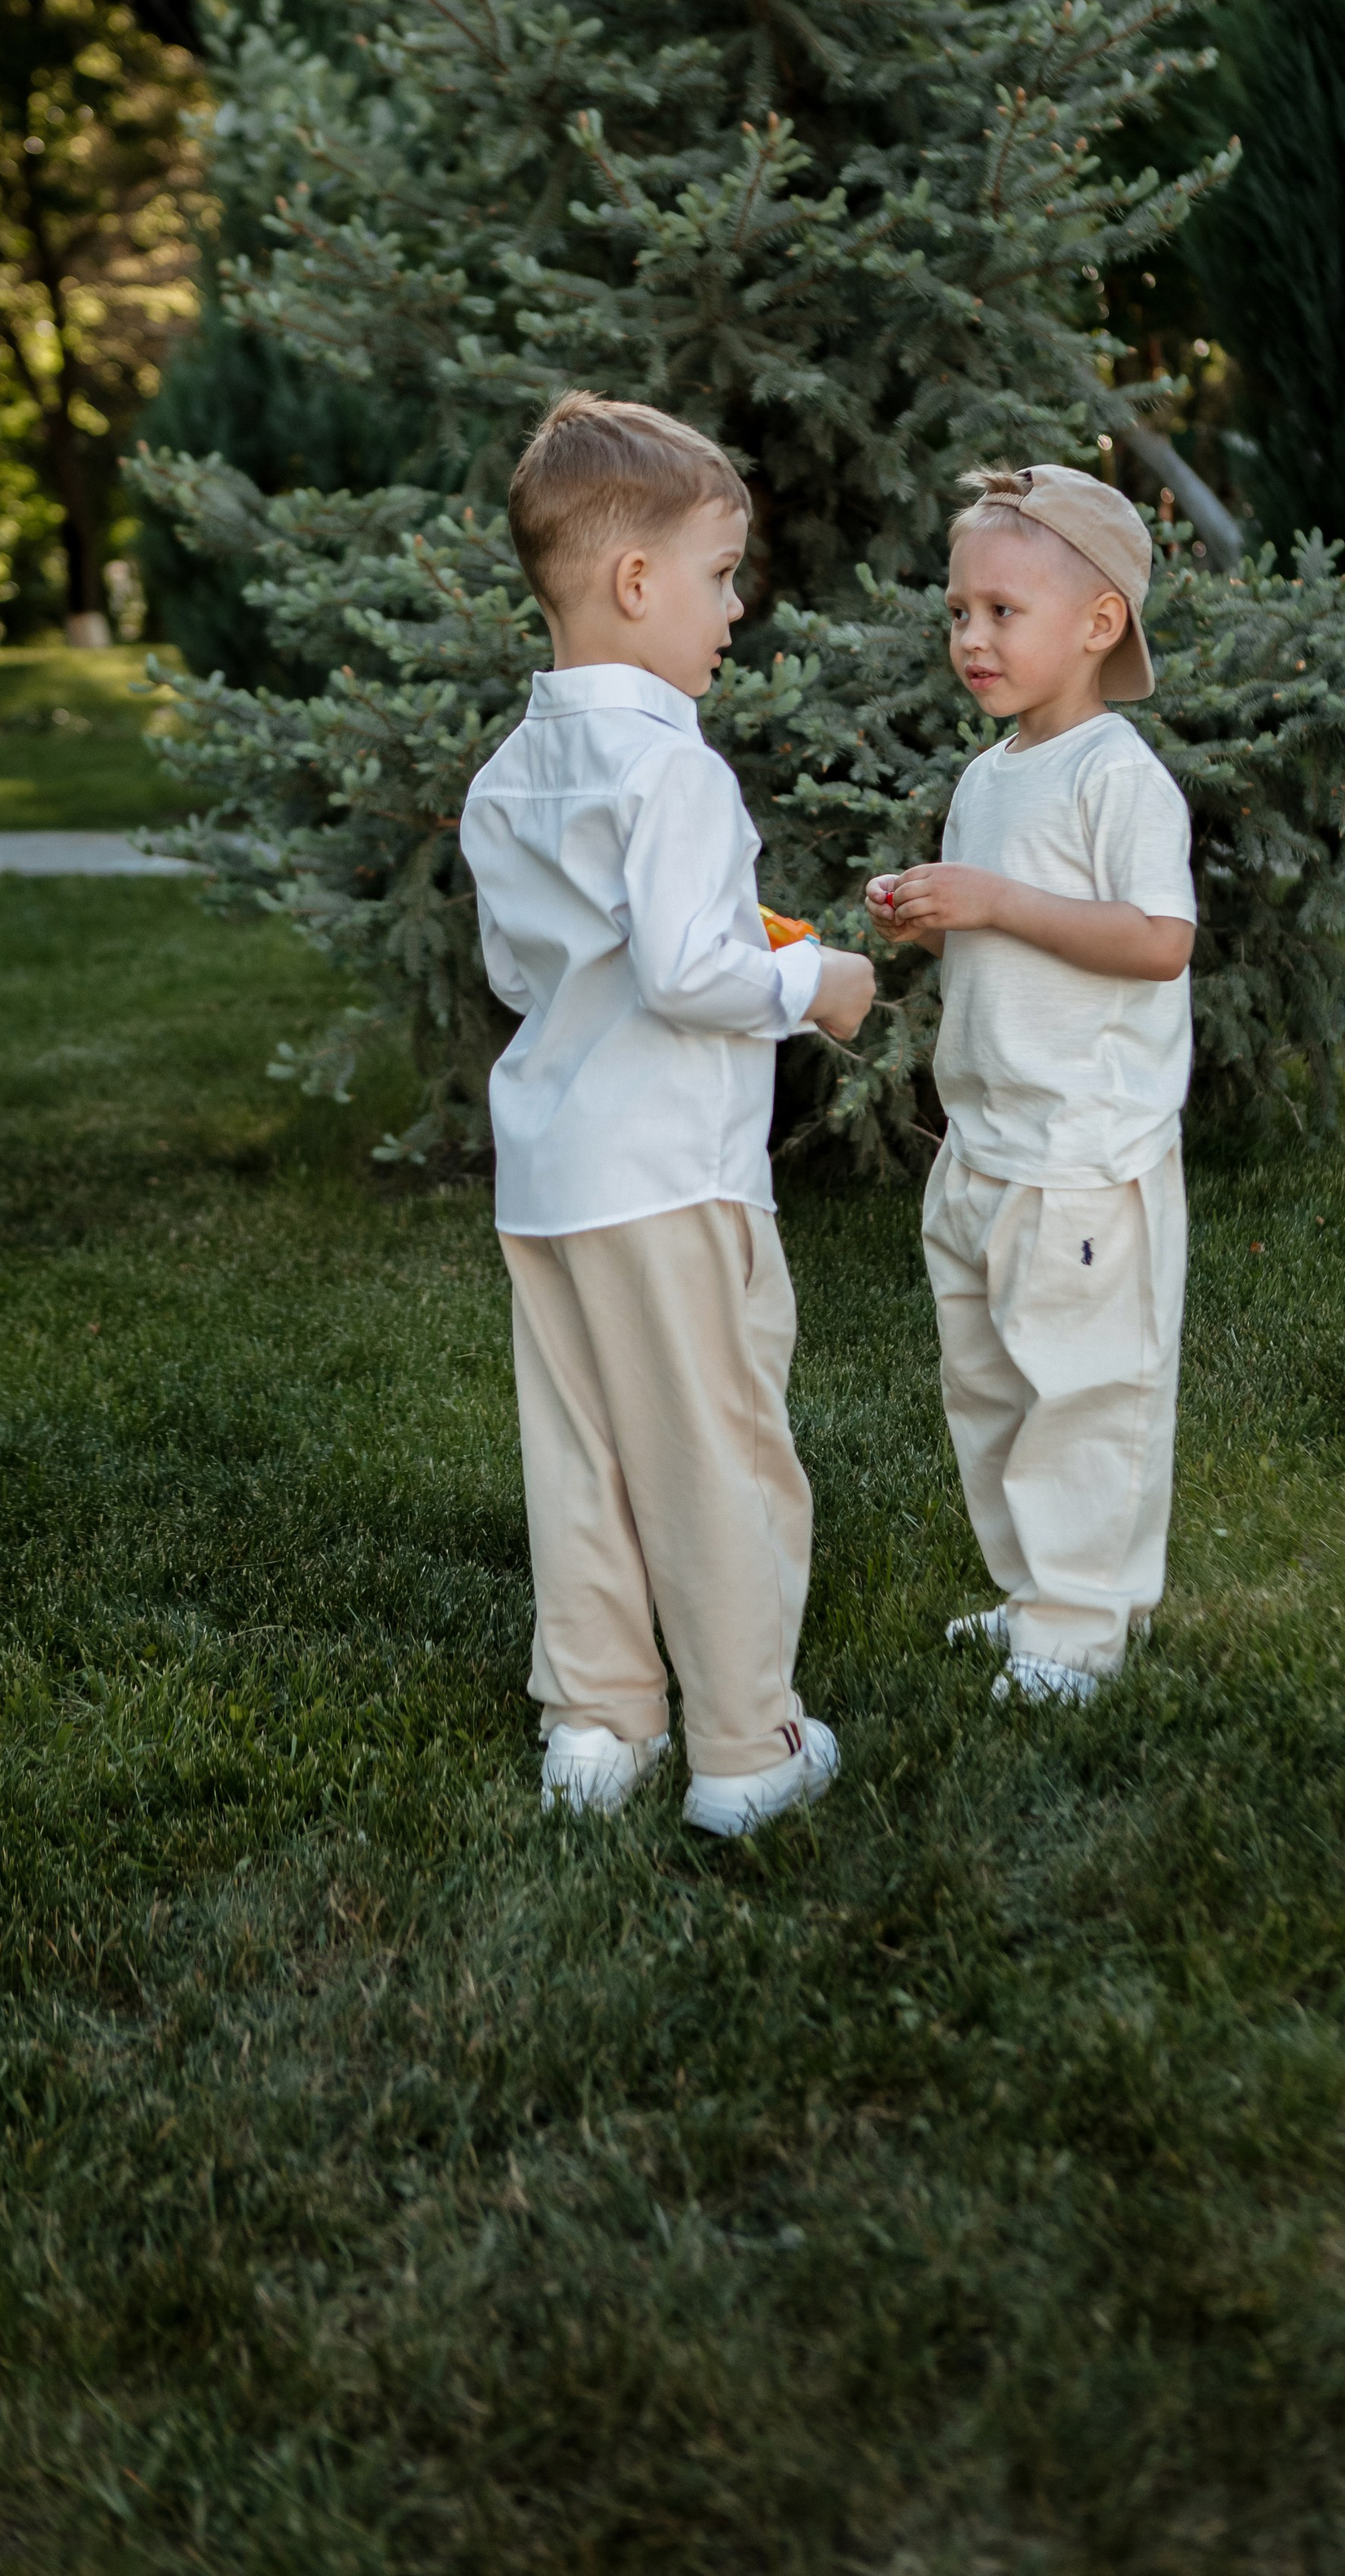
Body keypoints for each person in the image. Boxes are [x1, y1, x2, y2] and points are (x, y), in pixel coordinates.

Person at [462, 392, 876, 1831]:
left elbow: (519, 969)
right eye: (718, 576)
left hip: (552, 1180)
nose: (735, 605)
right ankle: (746, 1752)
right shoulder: (676, 767)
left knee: (580, 1449)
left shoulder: (510, 773)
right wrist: (818, 977)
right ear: (636, 584)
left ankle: (596, 1728)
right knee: (716, 1452)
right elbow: (696, 971)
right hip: (674, 1179)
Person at [867, 465, 1194, 1705]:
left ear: (1098, 624)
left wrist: (994, 899)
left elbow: (1158, 940)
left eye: (1003, 612)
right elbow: (1009, 928)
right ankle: (1039, 1600)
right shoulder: (992, 774)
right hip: (986, 1141)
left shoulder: (1118, 775)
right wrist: (936, 916)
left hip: (1081, 1154)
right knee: (992, 1390)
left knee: (1083, 1397)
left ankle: (1081, 1633)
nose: (971, 638)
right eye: (959, 613)